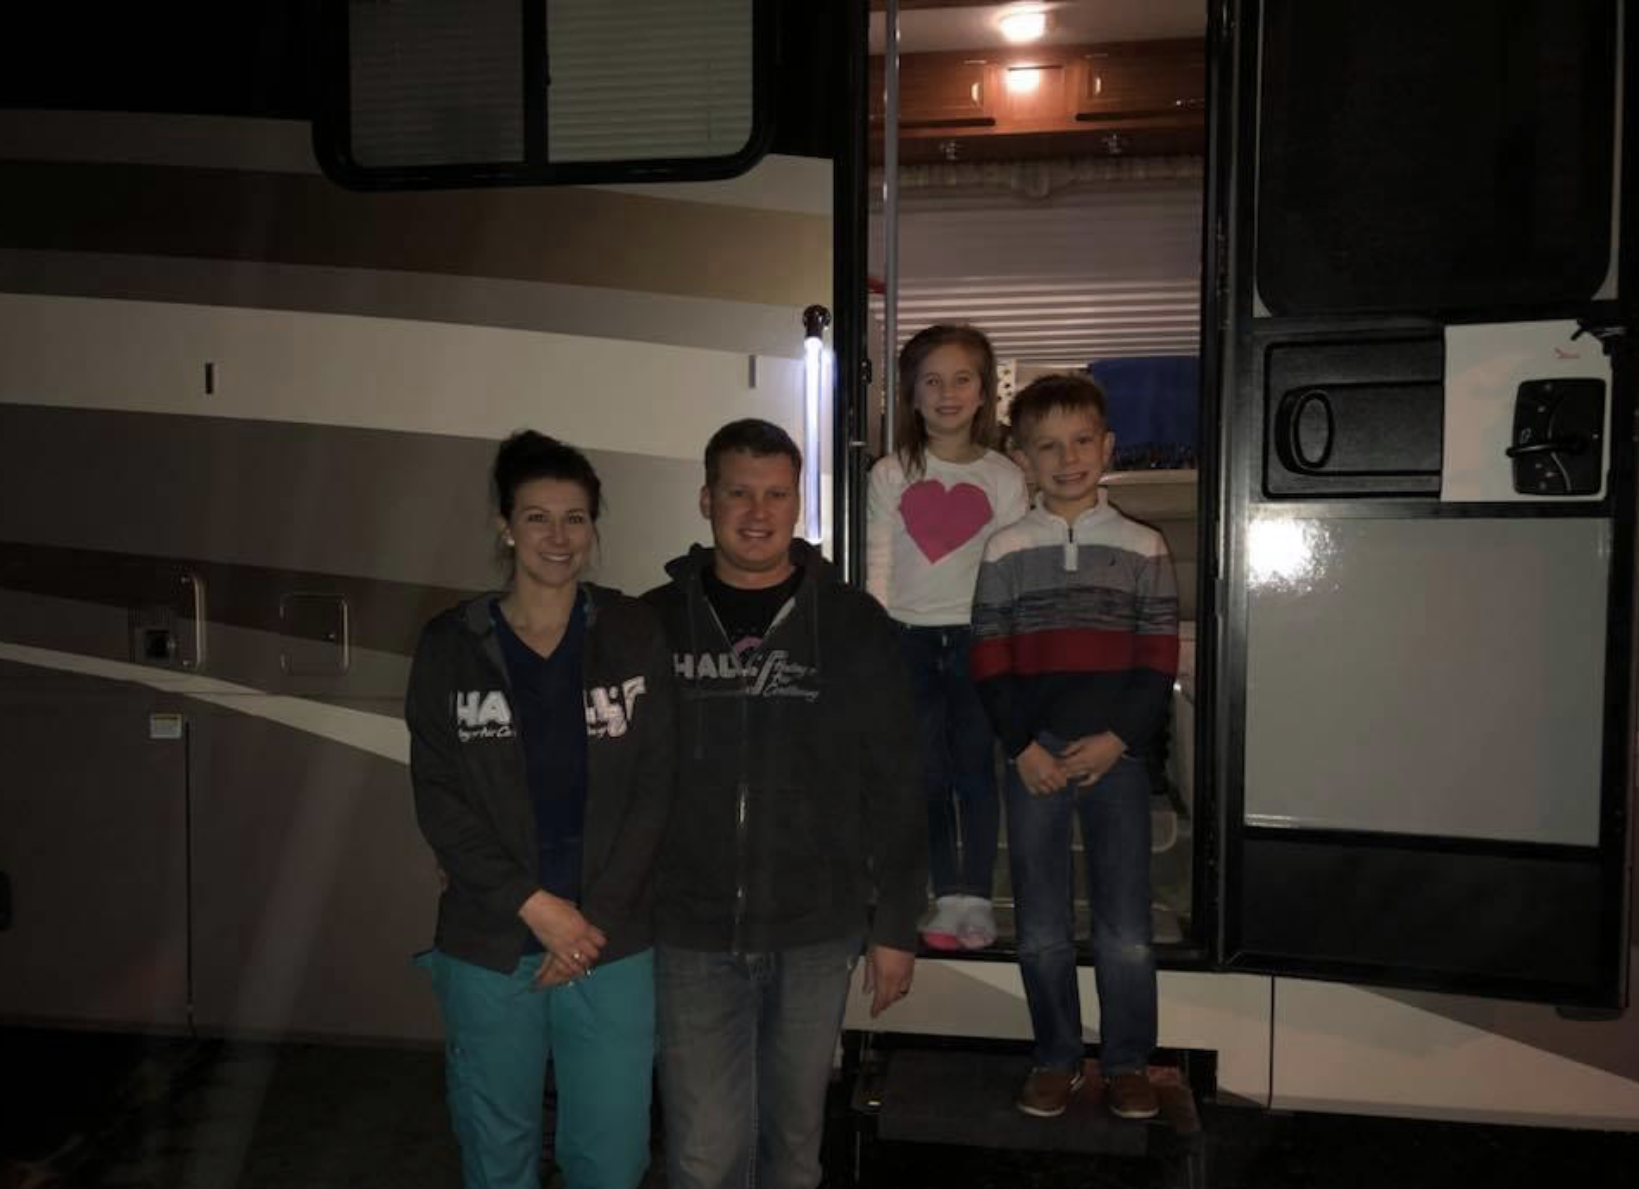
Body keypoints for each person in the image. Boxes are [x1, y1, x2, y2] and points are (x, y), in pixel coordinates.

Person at [643, 418, 927, 1189]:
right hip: (689, 932)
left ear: (798, 502)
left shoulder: (853, 623)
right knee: (703, 1158)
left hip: (815, 932)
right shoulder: (649, 623)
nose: (757, 511)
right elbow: (616, 773)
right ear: (706, 498)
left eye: (776, 493)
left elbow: (896, 780)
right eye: (738, 491)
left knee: (795, 1152)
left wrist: (895, 923)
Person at [405, 430, 675, 1189]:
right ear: (504, 525)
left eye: (576, 518)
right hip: (490, 941)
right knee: (498, 1153)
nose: (558, 537)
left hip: (610, 943)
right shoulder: (450, 645)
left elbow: (656, 787)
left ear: (593, 529)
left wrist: (585, 928)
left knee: (612, 1156)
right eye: (536, 517)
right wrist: (538, 909)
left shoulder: (631, 633)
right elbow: (438, 796)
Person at [970, 375, 1179, 1122]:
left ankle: (1126, 1061)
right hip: (1033, 759)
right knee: (1041, 927)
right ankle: (1055, 1056)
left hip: (1114, 758)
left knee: (1124, 930)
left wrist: (1117, 738)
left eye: (1081, 441)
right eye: (1048, 446)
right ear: (1022, 458)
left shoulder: (1143, 546)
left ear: (1107, 447)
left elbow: (1158, 662)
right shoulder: (1005, 549)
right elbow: (988, 656)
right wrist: (1022, 745)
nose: (1067, 458)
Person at [866, 324, 1028, 951]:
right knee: (926, 772)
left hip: (978, 639)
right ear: (911, 394)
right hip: (906, 639)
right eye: (932, 380)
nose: (947, 392)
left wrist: (1010, 643)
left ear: (986, 393)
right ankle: (943, 893)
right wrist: (880, 640)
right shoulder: (891, 473)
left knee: (975, 771)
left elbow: (1012, 568)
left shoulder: (1005, 477)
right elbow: (879, 561)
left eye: (962, 379)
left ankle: (977, 896)